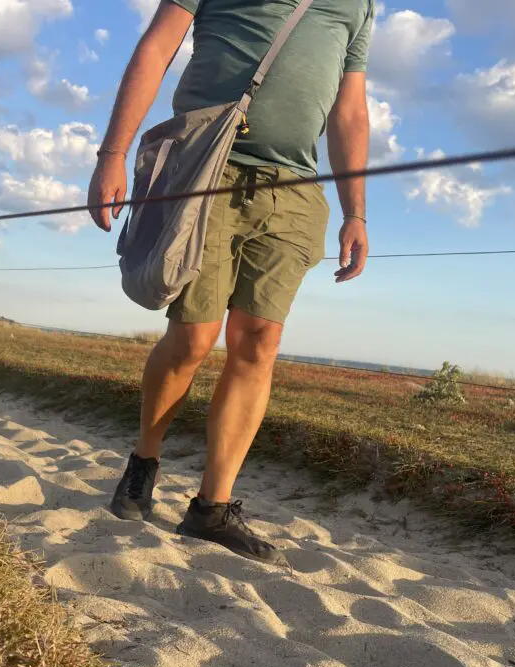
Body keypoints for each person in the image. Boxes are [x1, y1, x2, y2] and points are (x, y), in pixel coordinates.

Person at [87, 0, 375, 563]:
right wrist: (112, 153)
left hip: (294, 187)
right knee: (193, 338)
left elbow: (351, 110)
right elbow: (157, 47)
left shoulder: (359, 5)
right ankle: (145, 460)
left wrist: (355, 211)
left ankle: (211, 508)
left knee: (259, 342)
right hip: (206, 168)